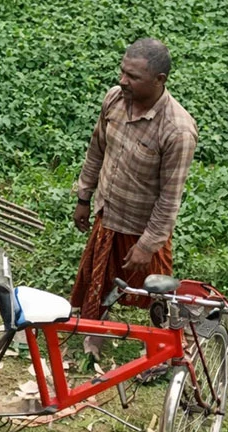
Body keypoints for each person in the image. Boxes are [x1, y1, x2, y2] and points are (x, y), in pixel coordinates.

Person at [70, 38, 198, 355]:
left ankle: (160, 352)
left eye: (133, 76)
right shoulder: (114, 99)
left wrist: (146, 244)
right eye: (123, 71)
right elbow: (96, 149)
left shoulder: (177, 130)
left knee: (157, 294)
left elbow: (170, 199)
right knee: (97, 281)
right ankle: (94, 337)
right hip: (108, 213)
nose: (122, 81)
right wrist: (84, 197)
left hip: (144, 229)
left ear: (160, 80)